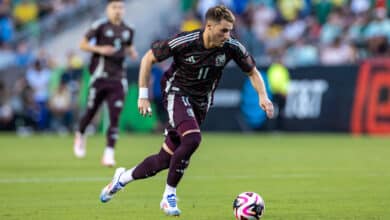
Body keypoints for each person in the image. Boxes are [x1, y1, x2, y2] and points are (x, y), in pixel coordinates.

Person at [99, 5, 274, 216]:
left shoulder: (231, 46)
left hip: (201, 103)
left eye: (230, 30)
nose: (228, 35)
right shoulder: (186, 41)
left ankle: (121, 179)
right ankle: (168, 196)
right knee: (192, 139)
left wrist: (263, 97)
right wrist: (143, 96)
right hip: (177, 93)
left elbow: (253, 72)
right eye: (224, 30)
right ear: (209, 26)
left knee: (165, 159)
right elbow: (148, 59)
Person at [73, 0, 138, 167]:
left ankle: (109, 154)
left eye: (121, 7)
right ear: (108, 9)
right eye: (114, 7)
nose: (118, 10)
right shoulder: (100, 26)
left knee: (115, 117)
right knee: (91, 111)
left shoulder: (129, 29)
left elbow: (129, 45)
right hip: (99, 77)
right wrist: (100, 49)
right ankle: (80, 134)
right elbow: (82, 44)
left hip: (118, 79)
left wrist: (132, 52)